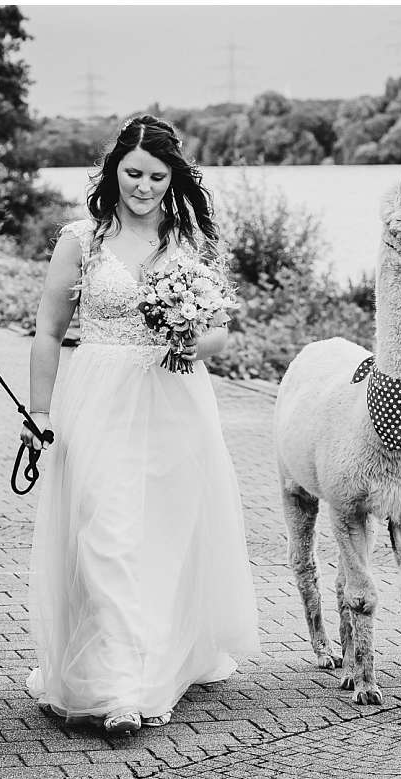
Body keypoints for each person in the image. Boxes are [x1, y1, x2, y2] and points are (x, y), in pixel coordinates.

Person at [22, 115, 260, 735]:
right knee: (106, 533)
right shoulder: (82, 239)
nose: (144, 187)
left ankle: (155, 656)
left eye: (157, 176)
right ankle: (122, 687)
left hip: (172, 399)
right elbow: (48, 331)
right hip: (97, 397)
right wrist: (39, 411)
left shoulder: (188, 243)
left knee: (160, 535)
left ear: (173, 177)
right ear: (113, 172)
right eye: (133, 173)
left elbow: (218, 329)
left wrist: (191, 335)